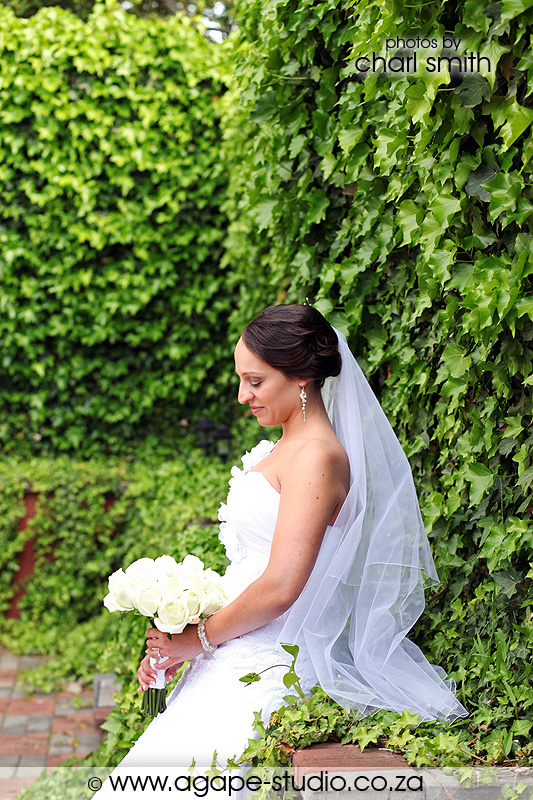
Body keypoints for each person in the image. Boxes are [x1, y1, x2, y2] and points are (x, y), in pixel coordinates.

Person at [98, 304, 465, 796]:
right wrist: (182, 634)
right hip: (234, 644)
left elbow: (281, 585)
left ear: (300, 377)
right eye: (241, 379)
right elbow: (252, 568)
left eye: (255, 381)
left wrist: (198, 639)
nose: (242, 395)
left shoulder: (317, 457)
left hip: (271, 654)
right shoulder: (282, 449)